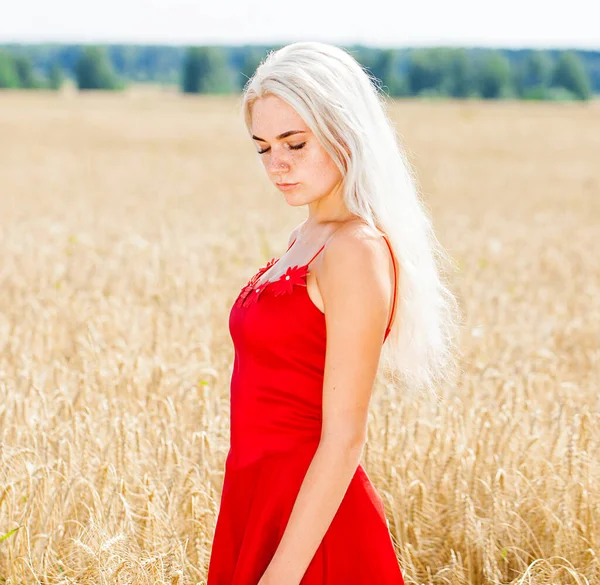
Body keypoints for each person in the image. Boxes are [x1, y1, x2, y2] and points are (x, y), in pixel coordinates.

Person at [207, 42, 461, 585]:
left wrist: (282, 574)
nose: (277, 164)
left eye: (295, 143)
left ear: (345, 132)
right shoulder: (307, 237)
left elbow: (344, 438)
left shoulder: (354, 250)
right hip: (257, 499)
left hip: (312, 527)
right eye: (263, 147)